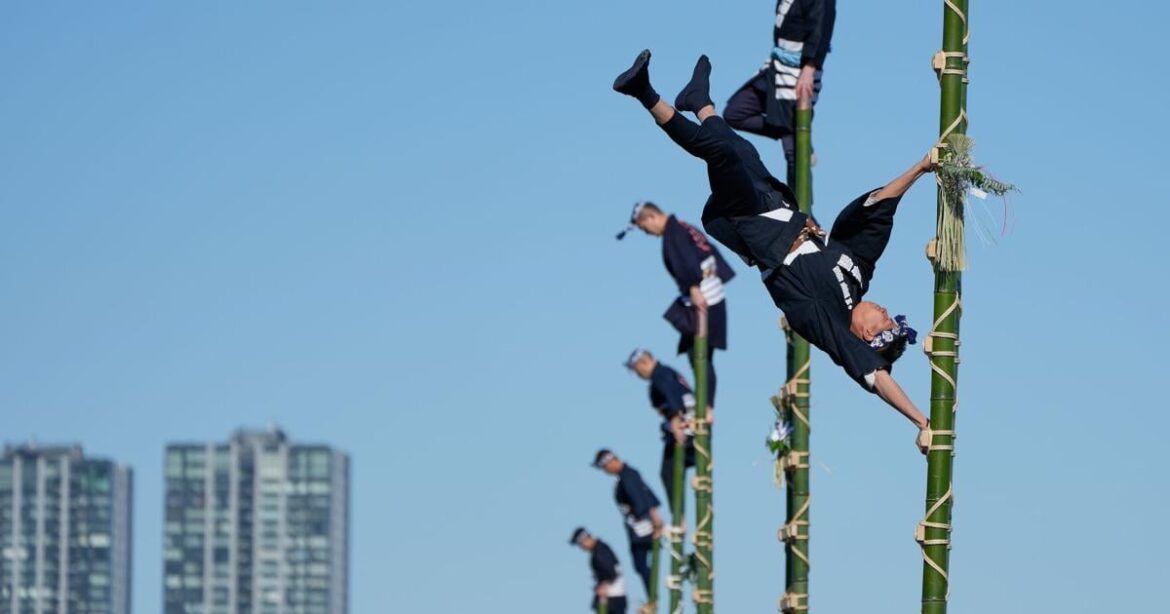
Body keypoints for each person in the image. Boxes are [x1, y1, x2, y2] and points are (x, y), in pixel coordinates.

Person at [612, 50, 932, 453]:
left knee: (722, 154)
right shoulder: (857, 272)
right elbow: (877, 210)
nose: (885, 309)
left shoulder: (827, 320)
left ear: (868, 334)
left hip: (749, 225)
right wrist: (920, 169)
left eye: (883, 318)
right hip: (778, 208)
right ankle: (700, 103)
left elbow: (875, 376)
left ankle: (643, 92)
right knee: (741, 151)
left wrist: (921, 421)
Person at [617, 201, 735, 408]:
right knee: (694, 350)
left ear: (651, 218)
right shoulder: (682, 227)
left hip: (704, 297)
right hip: (711, 293)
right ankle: (706, 404)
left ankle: (706, 406)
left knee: (699, 354)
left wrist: (694, 288)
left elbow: (688, 263)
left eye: (644, 228)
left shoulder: (674, 233)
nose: (647, 233)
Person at [725, 0, 837, 185]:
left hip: (798, 73)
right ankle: (790, 130)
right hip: (774, 67)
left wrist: (808, 70)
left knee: (794, 156)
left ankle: (801, 209)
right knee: (735, 112)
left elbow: (820, 32)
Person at [624, 349, 696, 503]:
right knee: (674, 469)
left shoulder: (660, 375)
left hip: (687, 425)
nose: (637, 375)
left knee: (669, 472)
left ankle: (679, 518)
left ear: (643, 363)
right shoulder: (665, 373)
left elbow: (672, 396)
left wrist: (676, 422)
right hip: (690, 425)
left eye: (636, 370)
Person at [593, 449, 664, 594]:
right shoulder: (626, 475)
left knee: (641, 563)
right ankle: (651, 594)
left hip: (643, 527)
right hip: (637, 526)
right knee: (640, 565)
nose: (605, 471)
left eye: (604, 467)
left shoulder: (627, 476)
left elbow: (641, 498)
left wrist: (654, 519)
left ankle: (652, 596)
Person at [570, 527, 628, 614]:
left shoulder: (600, 552)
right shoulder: (600, 549)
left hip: (612, 598)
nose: (581, 548)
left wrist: (603, 586)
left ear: (585, 540)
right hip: (616, 597)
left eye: (580, 544)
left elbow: (611, 572)